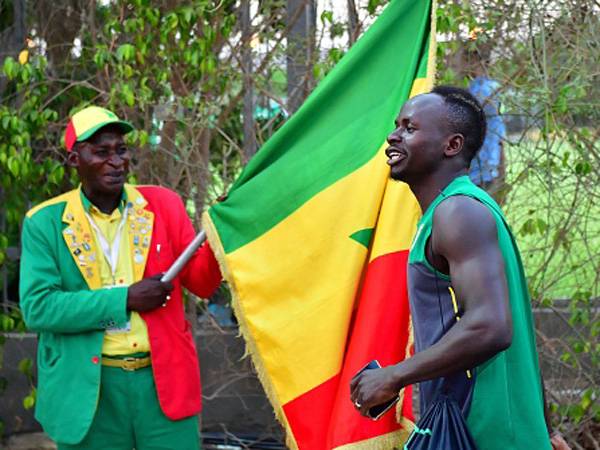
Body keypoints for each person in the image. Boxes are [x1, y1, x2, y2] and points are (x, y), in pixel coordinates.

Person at [350, 87, 568, 449]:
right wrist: (547, 429)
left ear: (451, 146)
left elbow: (491, 327)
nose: (393, 136)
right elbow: (514, 331)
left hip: (482, 433)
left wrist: (393, 376)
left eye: (409, 128)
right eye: (396, 126)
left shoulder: (457, 213)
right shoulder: (461, 210)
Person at [19, 106, 222, 449]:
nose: (116, 162)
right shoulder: (45, 222)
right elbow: (39, 308)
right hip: (89, 392)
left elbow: (202, 283)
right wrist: (125, 299)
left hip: (162, 389)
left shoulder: (163, 205)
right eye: (101, 152)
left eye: (121, 150)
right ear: (74, 160)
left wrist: (221, 238)